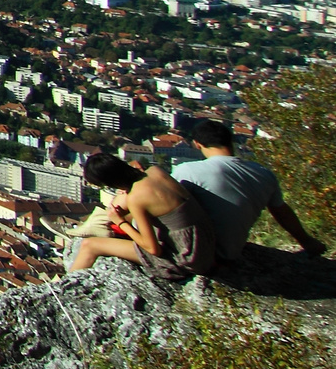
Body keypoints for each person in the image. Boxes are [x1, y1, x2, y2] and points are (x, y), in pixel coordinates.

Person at [172, 119, 325, 261]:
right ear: (230, 141)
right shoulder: (264, 173)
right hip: (232, 251)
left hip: (197, 253)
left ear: (197, 144)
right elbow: (281, 211)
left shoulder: (188, 171)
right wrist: (307, 241)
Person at [70, 153, 217, 281]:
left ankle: (61, 291)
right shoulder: (155, 171)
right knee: (122, 202)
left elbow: (154, 249)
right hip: (205, 242)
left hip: (187, 258)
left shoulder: (136, 199)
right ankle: (100, 225)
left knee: (89, 245)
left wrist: (120, 222)